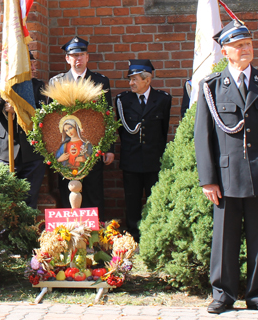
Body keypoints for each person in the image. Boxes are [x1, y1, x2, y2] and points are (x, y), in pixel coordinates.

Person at [194, 20, 258, 316]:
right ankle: (223, 294)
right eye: (238, 45)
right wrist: (208, 179)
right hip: (226, 174)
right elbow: (203, 136)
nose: (245, 49)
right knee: (225, 237)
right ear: (225, 52)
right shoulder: (211, 86)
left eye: (247, 44)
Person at [49, 36, 114, 214]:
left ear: (87, 57)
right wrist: (52, 149)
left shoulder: (100, 82)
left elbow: (108, 116)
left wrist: (109, 148)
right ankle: (68, 235)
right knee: (67, 192)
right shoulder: (57, 82)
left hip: (93, 148)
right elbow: (50, 120)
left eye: (82, 55)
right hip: (66, 149)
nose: (78, 59)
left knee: (93, 193)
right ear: (67, 58)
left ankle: (95, 237)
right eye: (74, 55)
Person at [113, 59, 172, 242]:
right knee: (132, 199)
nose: (130, 83)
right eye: (130, 79)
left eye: (135, 79)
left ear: (147, 79)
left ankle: (153, 234)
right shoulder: (123, 100)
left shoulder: (163, 99)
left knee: (154, 198)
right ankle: (133, 235)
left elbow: (163, 129)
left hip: (153, 159)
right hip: (131, 158)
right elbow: (122, 130)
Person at [0, 51, 47, 209]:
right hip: (5, 153)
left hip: (31, 153)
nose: (33, 67)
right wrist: (3, 92)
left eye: (32, 64)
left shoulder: (37, 86)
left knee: (29, 201)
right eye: (29, 64)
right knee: (3, 202)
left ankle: (27, 233)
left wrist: (18, 109)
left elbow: (41, 116)